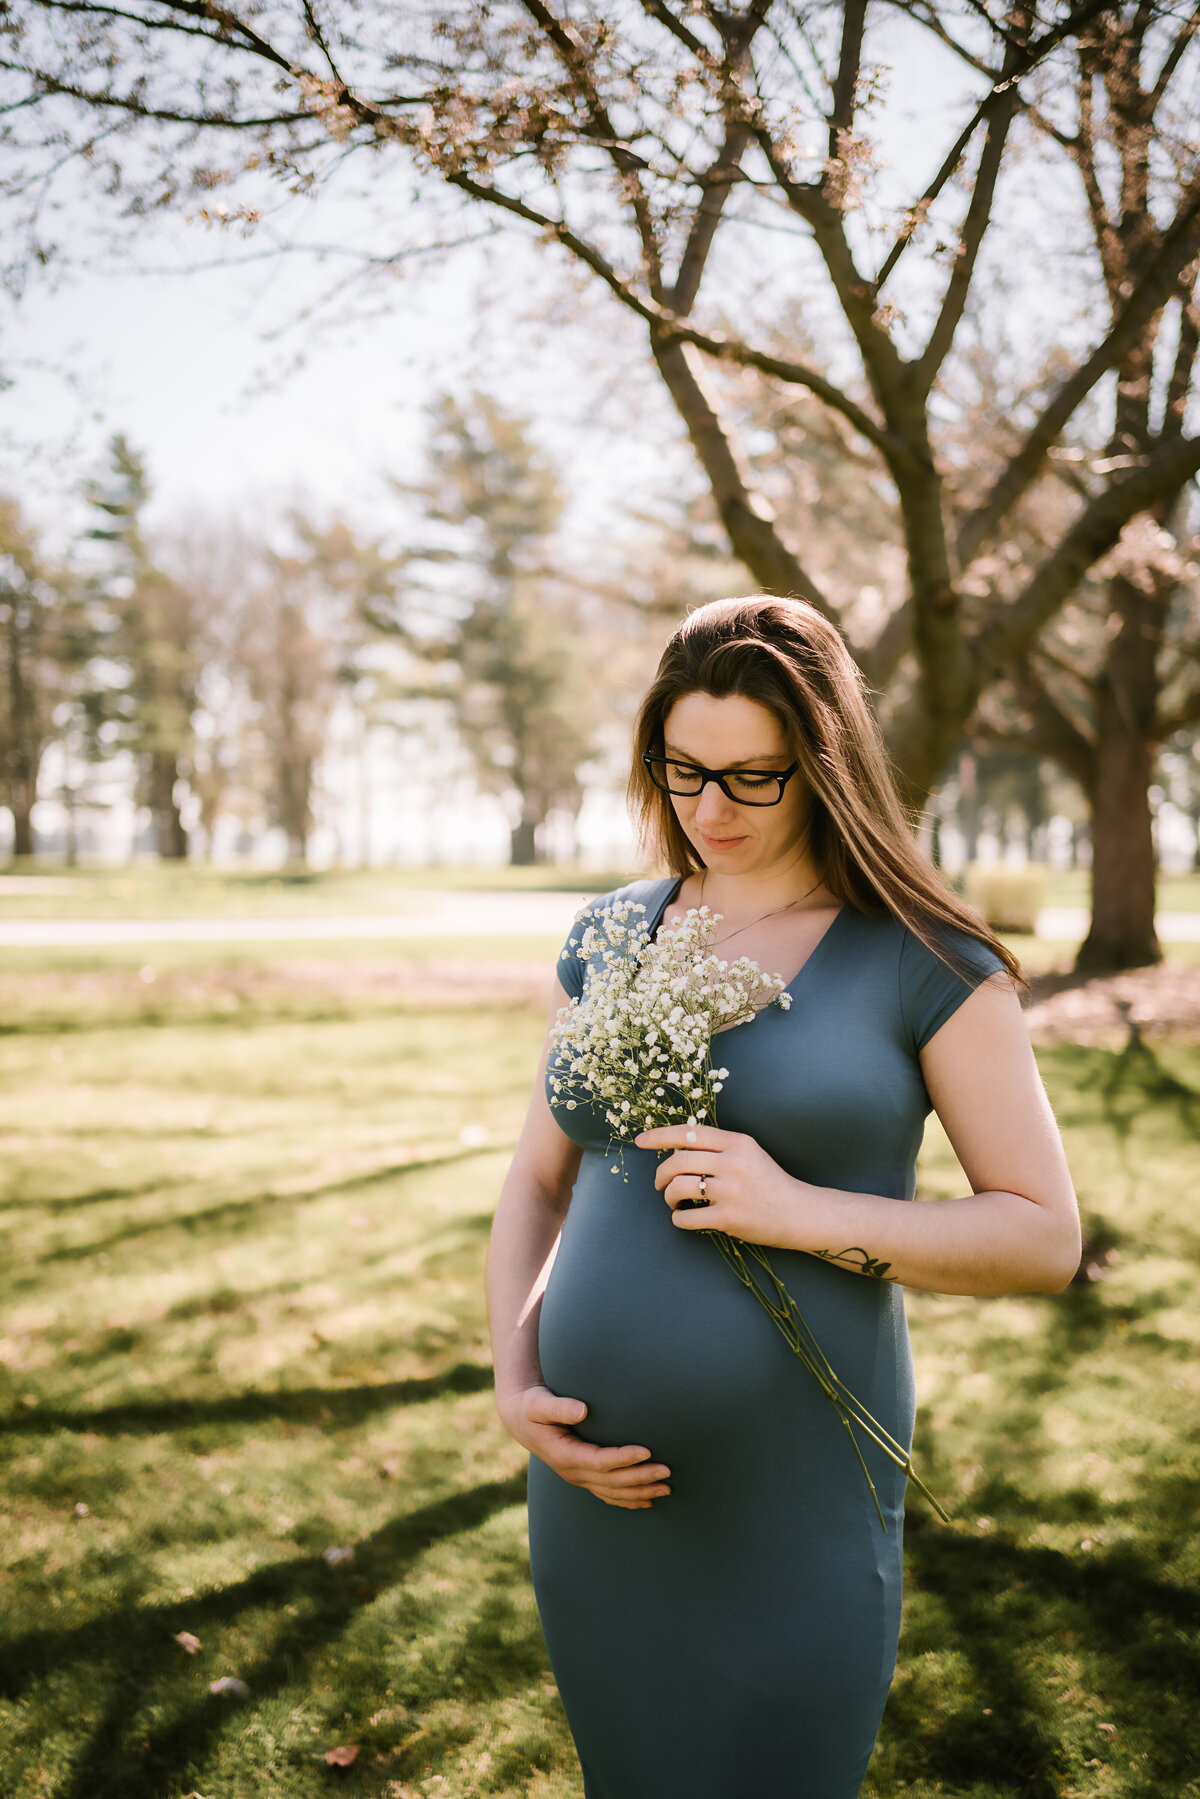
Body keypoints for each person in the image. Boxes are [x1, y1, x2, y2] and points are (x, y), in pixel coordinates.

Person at [486, 596, 1080, 1799]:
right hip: (598, 1492)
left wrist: (803, 1210)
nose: (711, 809)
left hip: (793, 1499)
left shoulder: (927, 958)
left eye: (754, 777)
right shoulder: (610, 934)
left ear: (825, 764)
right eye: (685, 768)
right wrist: (514, 1377)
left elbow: (1043, 1234)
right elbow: (539, 1178)